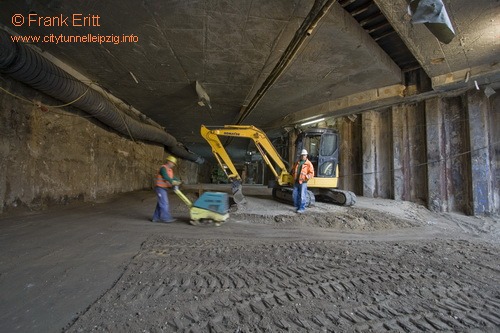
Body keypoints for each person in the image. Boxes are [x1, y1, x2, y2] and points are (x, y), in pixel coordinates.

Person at [152, 155, 181, 223]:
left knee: (160, 204)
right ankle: (166, 218)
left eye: (174, 163)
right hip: (160, 188)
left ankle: (155, 218)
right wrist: (172, 182)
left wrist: (179, 181)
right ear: (169, 161)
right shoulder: (163, 168)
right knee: (164, 203)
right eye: (172, 163)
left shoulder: (170, 170)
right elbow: (165, 176)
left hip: (164, 188)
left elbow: (173, 177)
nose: (173, 165)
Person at [291, 149, 314, 213]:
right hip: (296, 181)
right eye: (302, 155)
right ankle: (298, 207)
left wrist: (306, 177)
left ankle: (302, 208)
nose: (303, 156)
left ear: (306, 155)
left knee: (302, 196)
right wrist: (293, 175)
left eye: (304, 155)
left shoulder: (309, 164)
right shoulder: (298, 162)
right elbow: (293, 170)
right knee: (295, 195)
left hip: (303, 182)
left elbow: (311, 173)